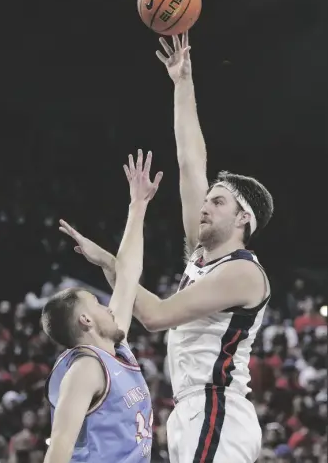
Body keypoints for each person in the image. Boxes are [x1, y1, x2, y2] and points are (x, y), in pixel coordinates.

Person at [60, 33, 274, 463]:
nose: (205, 206)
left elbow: (154, 315)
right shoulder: (201, 256)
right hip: (190, 410)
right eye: (207, 198)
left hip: (218, 408)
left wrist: (107, 259)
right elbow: (190, 162)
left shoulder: (244, 272)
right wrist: (182, 82)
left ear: (243, 219)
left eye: (218, 201)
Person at [42, 150, 163, 463]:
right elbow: (58, 447)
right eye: (97, 303)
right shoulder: (85, 370)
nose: (108, 306)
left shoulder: (113, 348)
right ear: (85, 320)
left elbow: (127, 275)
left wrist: (138, 206)